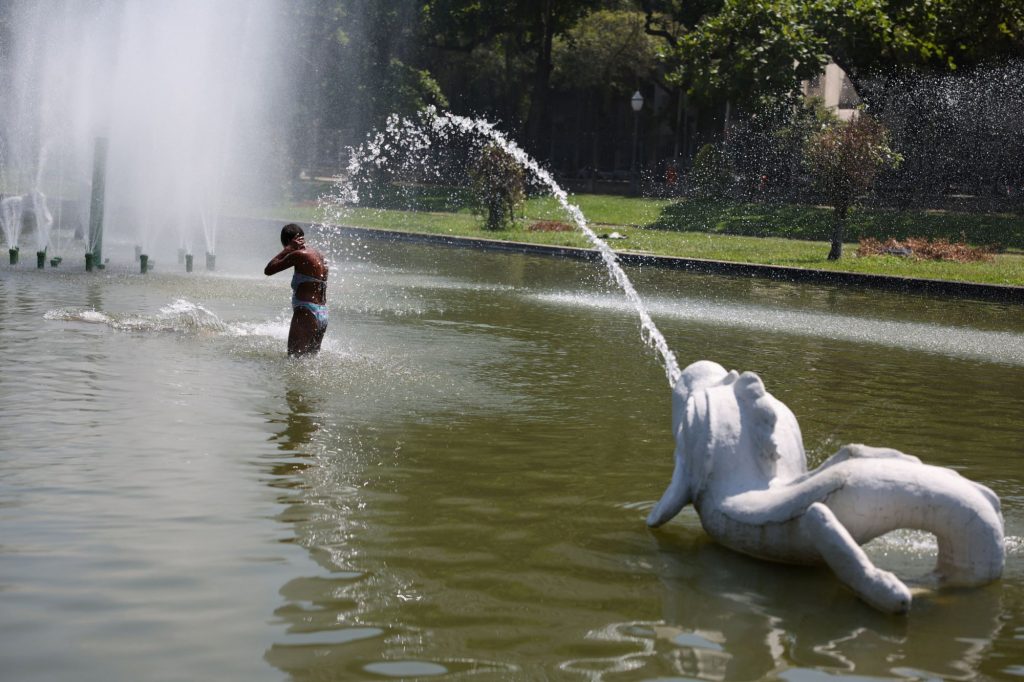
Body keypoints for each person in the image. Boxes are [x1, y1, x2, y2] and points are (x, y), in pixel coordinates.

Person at [264, 223, 329, 356]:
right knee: (311, 361)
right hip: (322, 313)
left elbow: (269, 270)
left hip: (307, 312)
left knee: (294, 359)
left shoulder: (299, 254)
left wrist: (287, 249)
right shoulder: (318, 254)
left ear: (288, 242)